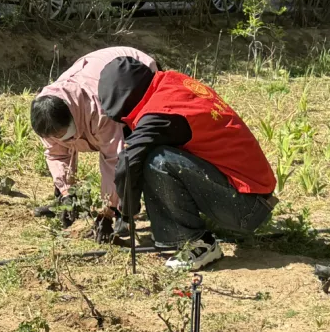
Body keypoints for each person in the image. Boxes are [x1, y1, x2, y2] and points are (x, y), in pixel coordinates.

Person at [98, 57, 277, 271]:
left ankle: (196, 244)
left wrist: (126, 213)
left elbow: (129, 161)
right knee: (155, 155)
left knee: (156, 159)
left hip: (245, 207)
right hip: (253, 194)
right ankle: (187, 235)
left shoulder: (160, 113)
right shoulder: (172, 84)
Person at [30, 47, 158, 228]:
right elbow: (56, 154)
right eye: (53, 136)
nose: (59, 140)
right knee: (64, 180)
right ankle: (64, 203)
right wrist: (67, 193)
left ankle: (125, 213)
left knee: (133, 150)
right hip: (95, 69)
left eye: (61, 135)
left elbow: (113, 159)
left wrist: (107, 211)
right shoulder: (46, 116)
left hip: (137, 75)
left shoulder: (100, 112)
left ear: (73, 118)